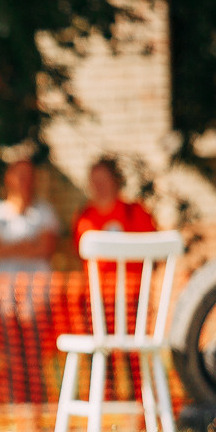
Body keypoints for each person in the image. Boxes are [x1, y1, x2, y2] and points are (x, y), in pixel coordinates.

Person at [72, 156, 159, 403]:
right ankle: (106, 404)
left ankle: (141, 404)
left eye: (103, 179)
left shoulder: (135, 212)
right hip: (97, 301)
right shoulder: (84, 216)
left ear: (115, 181)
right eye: (94, 180)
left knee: (135, 356)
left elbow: (155, 255)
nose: (98, 185)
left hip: (133, 300)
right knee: (102, 358)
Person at [0, 158, 61, 404]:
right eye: (19, 174)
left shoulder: (44, 211)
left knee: (33, 351)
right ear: (8, 178)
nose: (24, 181)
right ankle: (14, 402)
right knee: (9, 351)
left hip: (36, 293)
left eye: (29, 175)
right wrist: (26, 245)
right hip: (3, 293)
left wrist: (5, 247)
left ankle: (37, 403)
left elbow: (45, 247)